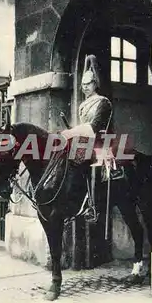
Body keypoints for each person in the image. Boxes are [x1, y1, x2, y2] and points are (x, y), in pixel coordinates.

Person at [61, 55, 114, 222]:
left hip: (100, 142)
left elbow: (93, 127)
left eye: (88, 84)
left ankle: (92, 206)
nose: (84, 87)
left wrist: (71, 132)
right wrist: (72, 131)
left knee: (88, 164)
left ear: (95, 83)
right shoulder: (83, 105)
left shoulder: (103, 103)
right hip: (85, 142)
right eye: (83, 84)